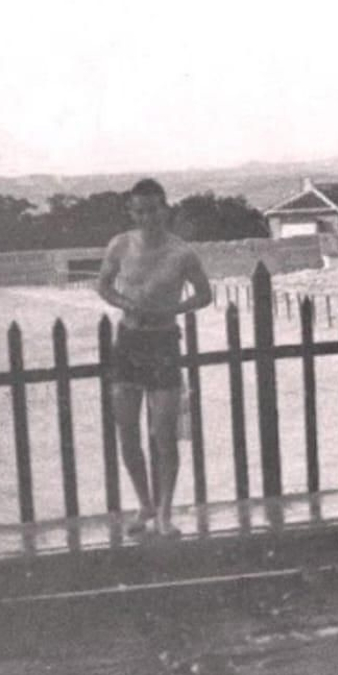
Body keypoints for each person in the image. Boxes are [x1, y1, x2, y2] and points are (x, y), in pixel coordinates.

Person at [97, 179, 214, 538]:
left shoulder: (182, 253)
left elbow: (205, 294)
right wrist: (125, 303)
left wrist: (174, 308)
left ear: (165, 209)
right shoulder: (120, 245)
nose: (148, 217)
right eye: (140, 210)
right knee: (128, 431)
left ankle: (164, 512)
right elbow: (103, 286)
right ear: (132, 212)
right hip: (129, 341)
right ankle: (144, 502)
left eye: (154, 209)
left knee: (163, 432)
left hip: (163, 342)